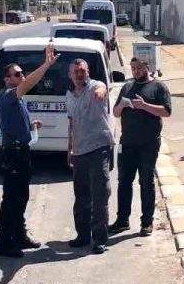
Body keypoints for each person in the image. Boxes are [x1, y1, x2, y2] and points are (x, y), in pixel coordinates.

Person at [0, 45, 58, 258]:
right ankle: (5, 242)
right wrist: (46, 65)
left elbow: (13, 124)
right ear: (7, 79)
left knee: (21, 197)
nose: (21, 76)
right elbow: (30, 82)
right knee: (11, 200)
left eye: (22, 73)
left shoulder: (17, 98)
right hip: (12, 155)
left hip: (21, 152)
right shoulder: (7, 95)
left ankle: (19, 235)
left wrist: (30, 127)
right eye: (17, 74)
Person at [110, 56, 172, 237]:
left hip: (148, 145)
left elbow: (167, 111)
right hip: (127, 143)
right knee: (124, 181)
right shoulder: (127, 87)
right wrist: (122, 104)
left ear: (147, 67)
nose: (136, 71)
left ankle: (147, 222)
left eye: (138, 68)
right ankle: (122, 220)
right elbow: (115, 113)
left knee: (146, 182)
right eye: (133, 68)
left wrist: (144, 106)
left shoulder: (158, 87)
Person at [64, 58, 114, 254]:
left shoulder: (95, 86)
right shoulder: (69, 95)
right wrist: (69, 149)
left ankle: (99, 239)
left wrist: (101, 92)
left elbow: (102, 89)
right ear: (70, 75)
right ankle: (83, 236)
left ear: (88, 72)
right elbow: (72, 124)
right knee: (81, 197)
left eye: (82, 71)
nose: (79, 74)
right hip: (79, 151)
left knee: (99, 196)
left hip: (98, 148)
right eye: (76, 71)